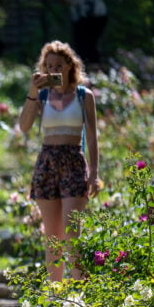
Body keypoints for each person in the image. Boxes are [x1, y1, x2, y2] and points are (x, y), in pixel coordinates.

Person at [18, 41, 100, 281]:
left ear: (69, 66)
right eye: (49, 65)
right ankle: (56, 296)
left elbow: (93, 138)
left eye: (58, 65)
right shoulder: (42, 95)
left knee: (73, 233)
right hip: (47, 161)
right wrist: (33, 92)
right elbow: (24, 127)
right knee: (52, 237)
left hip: (73, 161)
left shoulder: (84, 96)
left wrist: (94, 174)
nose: (53, 70)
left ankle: (79, 294)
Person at [65, 0, 107, 65]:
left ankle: (86, 68)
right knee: (92, 44)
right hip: (101, 14)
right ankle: (95, 66)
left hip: (85, 16)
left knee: (82, 44)